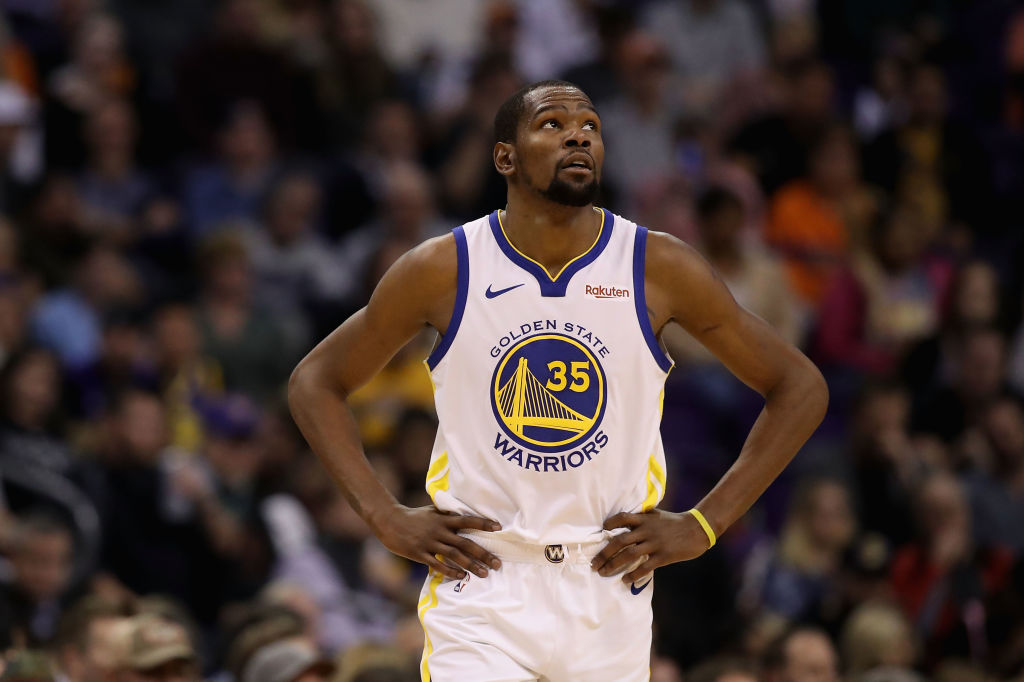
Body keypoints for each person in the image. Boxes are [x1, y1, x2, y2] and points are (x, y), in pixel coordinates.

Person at [288, 80, 828, 680]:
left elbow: (800, 387)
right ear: (505, 158)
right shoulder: (443, 267)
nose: (578, 134)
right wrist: (384, 516)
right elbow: (316, 381)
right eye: (552, 124)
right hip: (483, 582)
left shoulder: (657, 265)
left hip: (607, 584)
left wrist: (705, 524)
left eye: (591, 126)